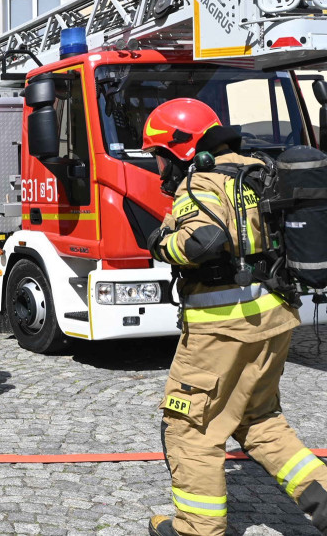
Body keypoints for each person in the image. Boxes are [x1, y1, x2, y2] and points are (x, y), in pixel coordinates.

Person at [142, 98, 327, 536]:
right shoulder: (255, 171)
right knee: (258, 420)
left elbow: (201, 242)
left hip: (221, 328)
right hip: (274, 317)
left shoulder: (202, 183)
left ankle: (196, 529)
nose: (159, 168)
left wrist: (160, 243)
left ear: (178, 148)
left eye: (159, 157)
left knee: (191, 426)